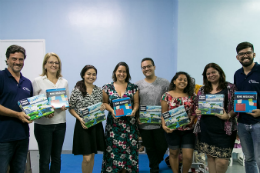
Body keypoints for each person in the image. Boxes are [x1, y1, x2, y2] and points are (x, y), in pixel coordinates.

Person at [195, 63, 237, 173]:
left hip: (225, 130)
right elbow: (197, 106)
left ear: (220, 73)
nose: (211, 75)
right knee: (210, 157)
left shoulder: (230, 88)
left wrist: (228, 115)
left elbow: (237, 107)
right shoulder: (202, 90)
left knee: (223, 161)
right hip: (206, 129)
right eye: (208, 73)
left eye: (213, 72)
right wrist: (198, 111)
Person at [32, 52, 69, 173]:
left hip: (60, 124)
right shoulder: (37, 81)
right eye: (51, 62)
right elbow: (33, 105)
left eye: (56, 63)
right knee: (44, 159)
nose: (54, 65)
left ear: (59, 65)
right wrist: (44, 112)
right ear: (45, 65)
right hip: (42, 126)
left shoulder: (64, 82)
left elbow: (66, 101)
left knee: (57, 158)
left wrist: (64, 106)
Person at [0, 45, 33, 173]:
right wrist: (17, 115)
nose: (17, 62)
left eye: (20, 59)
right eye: (14, 59)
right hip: (3, 137)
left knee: (19, 170)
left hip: (22, 136)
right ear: (7, 59)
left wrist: (44, 113)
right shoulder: (1, 77)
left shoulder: (27, 82)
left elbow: (30, 108)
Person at [101, 62, 139, 173]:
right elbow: (105, 102)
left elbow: (136, 103)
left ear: (127, 73)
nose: (121, 73)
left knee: (129, 151)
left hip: (129, 124)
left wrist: (134, 111)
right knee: (113, 150)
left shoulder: (133, 87)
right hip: (114, 125)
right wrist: (112, 110)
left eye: (124, 71)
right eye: (119, 71)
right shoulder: (107, 87)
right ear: (115, 72)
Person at [69, 65, 106, 173]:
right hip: (83, 125)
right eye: (89, 74)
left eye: (94, 74)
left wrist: (103, 107)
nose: (91, 76)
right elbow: (71, 108)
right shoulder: (76, 90)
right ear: (83, 75)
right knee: (87, 158)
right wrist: (80, 119)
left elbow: (101, 106)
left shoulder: (99, 90)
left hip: (96, 125)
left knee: (92, 155)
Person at [135, 57, 169, 173]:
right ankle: (153, 167)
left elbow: (170, 100)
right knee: (149, 148)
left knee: (162, 146)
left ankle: (155, 162)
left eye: (149, 66)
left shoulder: (164, 83)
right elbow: (135, 103)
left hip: (160, 122)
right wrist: (137, 117)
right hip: (144, 123)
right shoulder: (137, 85)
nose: (146, 69)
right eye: (143, 67)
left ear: (154, 67)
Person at [161, 71, 196, 173]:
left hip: (188, 130)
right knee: (173, 154)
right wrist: (163, 125)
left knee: (188, 156)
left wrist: (192, 119)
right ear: (174, 81)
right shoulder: (166, 95)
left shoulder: (192, 96)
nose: (183, 82)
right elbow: (164, 113)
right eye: (180, 79)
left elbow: (194, 112)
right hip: (172, 130)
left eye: (185, 80)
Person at [234, 42, 260, 173]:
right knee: (249, 159)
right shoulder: (237, 74)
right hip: (243, 123)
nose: (245, 56)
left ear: (254, 54)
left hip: (258, 123)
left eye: (248, 53)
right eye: (241, 54)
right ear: (237, 57)